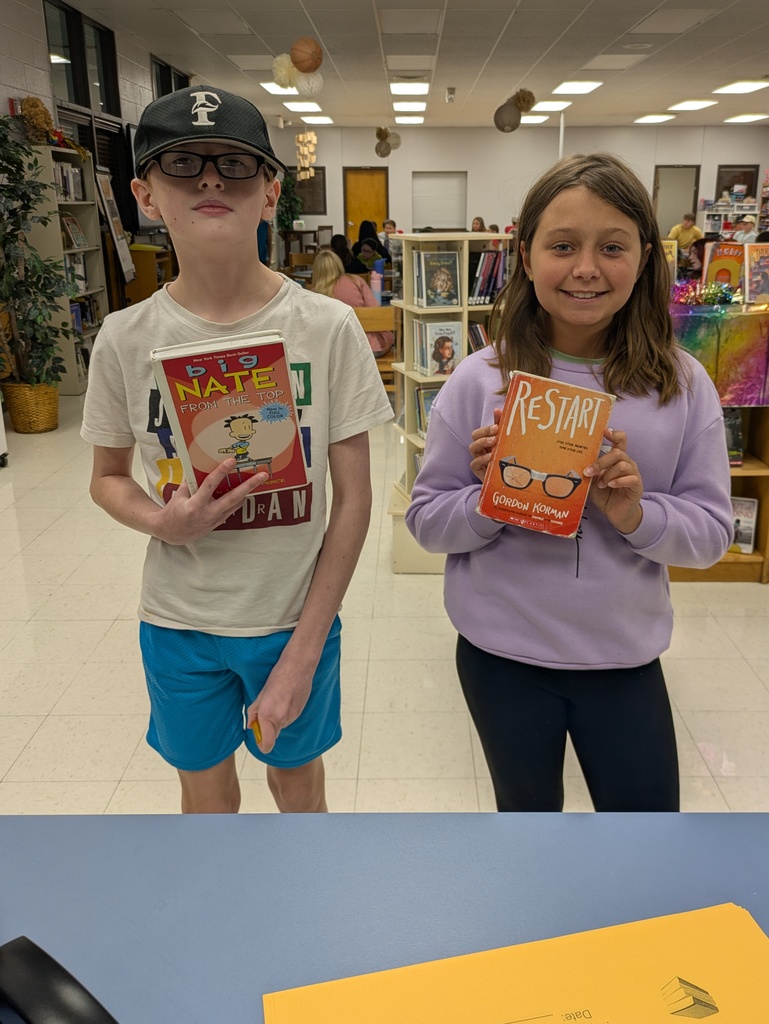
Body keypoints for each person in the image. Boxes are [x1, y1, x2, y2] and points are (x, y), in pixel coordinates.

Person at [80, 86, 393, 815]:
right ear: (144, 194)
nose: (211, 179)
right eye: (182, 164)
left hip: (291, 617)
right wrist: (163, 523)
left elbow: (354, 500)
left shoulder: (326, 327)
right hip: (178, 617)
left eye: (236, 164)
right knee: (205, 795)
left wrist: (307, 648)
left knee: (297, 788)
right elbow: (106, 478)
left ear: (271, 192)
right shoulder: (126, 338)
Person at [405, 152, 733, 813]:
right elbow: (426, 522)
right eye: (562, 246)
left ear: (644, 255)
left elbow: (710, 538)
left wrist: (635, 514)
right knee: (527, 829)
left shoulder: (682, 383)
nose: (586, 268)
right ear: (525, 256)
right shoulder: (478, 380)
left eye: (611, 246)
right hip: (501, 657)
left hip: (623, 659)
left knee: (644, 831)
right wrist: (489, 497)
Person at [311, 250, 393, 357]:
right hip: (370, 347)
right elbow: (375, 311)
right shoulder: (355, 280)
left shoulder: (312, 294)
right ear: (338, 264)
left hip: (334, 353)